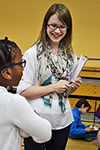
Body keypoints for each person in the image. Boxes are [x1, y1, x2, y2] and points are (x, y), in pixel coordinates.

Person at [17, 3, 82, 150]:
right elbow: (22, 91)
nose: (57, 31)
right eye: (53, 25)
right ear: (45, 26)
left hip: (63, 122)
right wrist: (53, 87)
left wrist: (72, 87)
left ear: (68, 29)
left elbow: (65, 93)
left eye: (62, 26)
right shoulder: (32, 53)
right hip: (36, 121)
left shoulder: (71, 56)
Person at [0, 37, 52, 150]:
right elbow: (44, 133)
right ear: (7, 73)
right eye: (20, 64)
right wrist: (34, 116)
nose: (23, 69)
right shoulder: (13, 102)